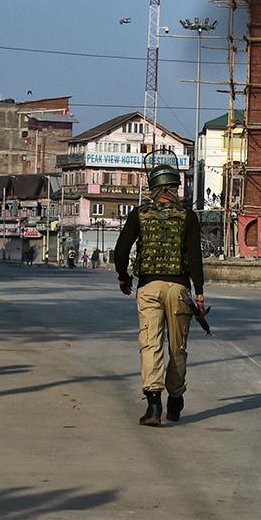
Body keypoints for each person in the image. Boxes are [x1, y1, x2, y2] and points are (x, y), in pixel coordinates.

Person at [114, 162, 205, 427]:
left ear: (152, 188)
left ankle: (153, 405)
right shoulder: (187, 216)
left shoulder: (139, 214)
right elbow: (195, 257)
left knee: (150, 343)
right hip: (179, 289)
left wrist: (123, 276)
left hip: (148, 287)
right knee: (177, 346)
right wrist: (199, 293)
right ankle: (175, 400)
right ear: (175, 187)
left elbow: (120, 251)